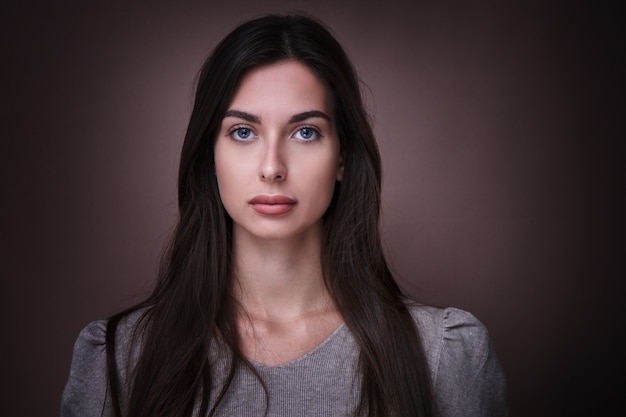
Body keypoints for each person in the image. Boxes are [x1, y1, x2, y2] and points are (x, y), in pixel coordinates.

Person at [61, 13, 507, 417]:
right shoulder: (119, 362)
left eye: (305, 132)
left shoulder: (444, 357)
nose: (272, 167)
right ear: (208, 156)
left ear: (343, 157)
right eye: (242, 132)